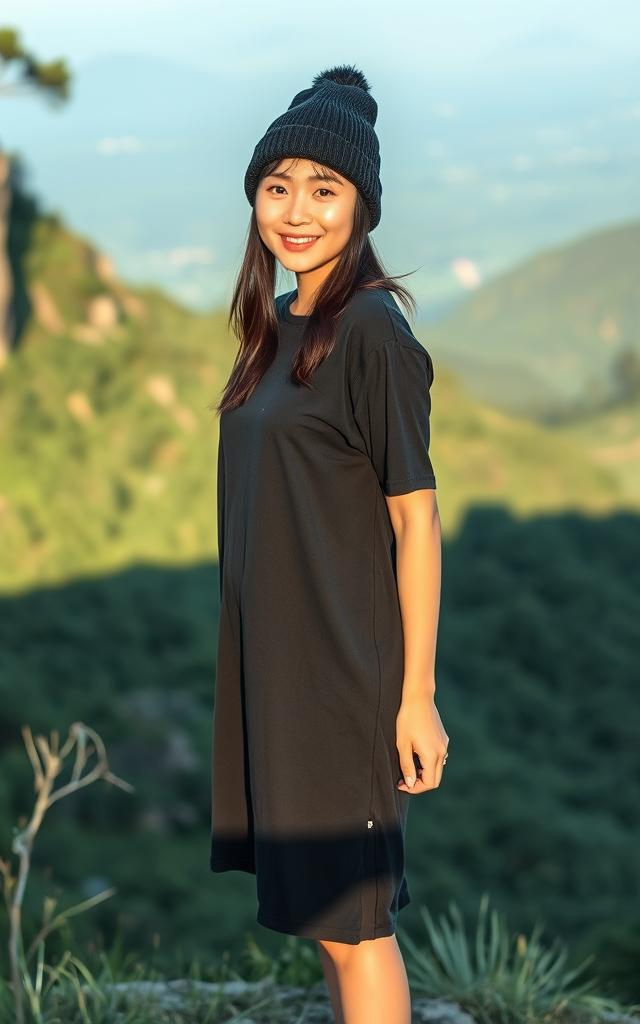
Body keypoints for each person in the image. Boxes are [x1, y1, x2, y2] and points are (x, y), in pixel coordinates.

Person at [210, 63, 449, 1024]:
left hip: (350, 672)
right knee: (321, 913)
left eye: (324, 188)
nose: (296, 211)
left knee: (360, 927)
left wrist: (416, 697)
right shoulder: (281, 322)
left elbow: (415, 518)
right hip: (284, 667)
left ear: (363, 205)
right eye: (278, 187)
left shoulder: (373, 333)